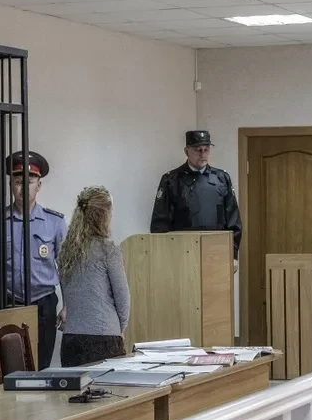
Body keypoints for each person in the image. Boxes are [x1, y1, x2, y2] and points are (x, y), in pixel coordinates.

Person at [0, 151, 66, 370]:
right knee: (7, 370)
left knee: (40, 368)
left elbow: (66, 267)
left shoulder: (55, 222)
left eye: (30, 181)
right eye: (17, 182)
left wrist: (67, 306)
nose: (24, 187)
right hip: (4, 303)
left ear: (39, 185)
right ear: (10, 185)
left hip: (42, 305)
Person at [57, 186, 131, 367]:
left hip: (71, 339)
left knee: (76, 386)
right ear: (105, 215)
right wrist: (118, 329)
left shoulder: (65, 250)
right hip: (104, 338)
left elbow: (67, 295)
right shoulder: (108, 249)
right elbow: (123, 298)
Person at [150, 130, 242, 267]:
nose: (203, 154)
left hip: (217, 251)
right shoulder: (171, 180)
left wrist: (233, 254)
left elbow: (233, 218)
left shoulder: (221, 178)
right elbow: (160, 222)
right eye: (198, 150)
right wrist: (163, 256)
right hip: (181, 252)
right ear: (186, 151)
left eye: (206, 149)